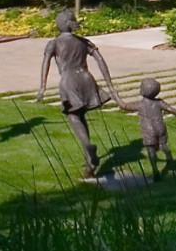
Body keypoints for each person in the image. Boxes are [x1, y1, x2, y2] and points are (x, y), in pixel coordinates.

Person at [35, 9, 116, 179]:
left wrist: (42, 87)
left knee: (73, 116)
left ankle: (87, 146)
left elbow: (45, 64)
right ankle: (89, 164)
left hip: (69, 80)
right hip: (86, 78)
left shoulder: (54, 43)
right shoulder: (83, 42)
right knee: (81, 116)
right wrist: (110, 85)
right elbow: (100, 60)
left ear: (60, 25)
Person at [126, 76, 176, 178]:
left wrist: (115, 96)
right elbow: (171, 109)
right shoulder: (159, 102)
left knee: (151, 151)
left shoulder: (140, 105)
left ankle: (155, 171)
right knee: (163, 145)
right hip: (160, 128)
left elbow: (124, 106)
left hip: (148, 131)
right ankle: (168, 157)